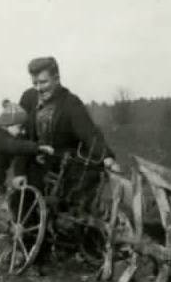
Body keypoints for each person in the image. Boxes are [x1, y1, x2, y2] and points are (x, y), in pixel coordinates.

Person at [18, 56, 118, 202]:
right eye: (35, 83)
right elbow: (21, 137)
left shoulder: (71, 103)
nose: (39, 88)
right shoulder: (28, 98)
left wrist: (107, 158)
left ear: (57, 79)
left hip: (63, 169)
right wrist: (19, 172)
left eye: (44, 82)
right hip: (35, 168)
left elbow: (89, 134)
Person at [0, 100, 51, 219]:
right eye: (20, 127)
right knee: (6, 219)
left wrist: (35, 156)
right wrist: (39, 147)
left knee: (1, 216)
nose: (23, 131)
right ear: (7, 125)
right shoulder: (2, 139)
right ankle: (5, 234)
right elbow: (18, 146)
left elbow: (15, 149)